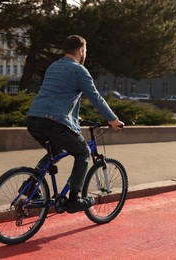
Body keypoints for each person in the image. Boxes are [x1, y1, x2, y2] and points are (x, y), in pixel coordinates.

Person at [27, 35, 124, 214]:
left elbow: (57, 94)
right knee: (83, 153)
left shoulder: (53, 66)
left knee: (55, 152)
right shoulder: (79, 70)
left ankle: (30, 185)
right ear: (81, 50)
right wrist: (113, 119)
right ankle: (74, 199)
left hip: (34, 118)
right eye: (85, 51)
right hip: (54, 121)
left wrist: (73, 118)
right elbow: (96, 98)